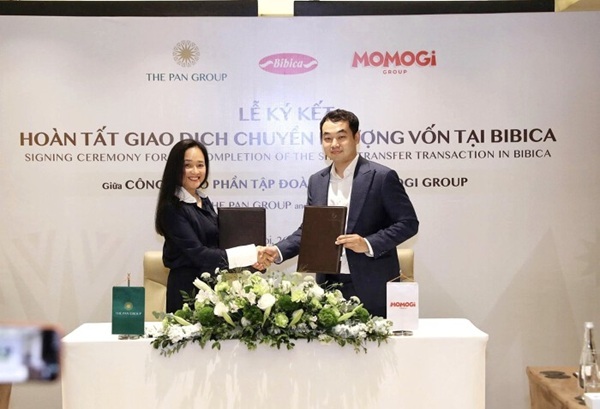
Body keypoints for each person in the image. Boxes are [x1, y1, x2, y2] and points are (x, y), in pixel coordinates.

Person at [264, 109, 419, 318]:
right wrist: (277, 251)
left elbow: (408, 223)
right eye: (327, 138)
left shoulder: (382, 177)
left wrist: (367, 243)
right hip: (328, 287)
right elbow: (310, 231)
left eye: (341, 137)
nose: (334, 144)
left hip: (371, 286)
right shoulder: (317, 181)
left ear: (356, 137)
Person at [155, 139, 271, 312]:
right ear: (175, 168)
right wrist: (250, 253)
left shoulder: (203, 200)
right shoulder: (172, 208)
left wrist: (251, 261)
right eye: (188, 165)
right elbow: (200, 254)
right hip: (186, 293)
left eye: (200, 165)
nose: (195, 171)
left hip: (212, 289)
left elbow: (219, 244)